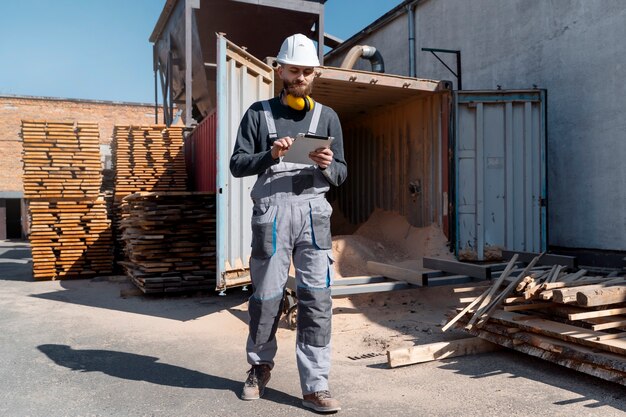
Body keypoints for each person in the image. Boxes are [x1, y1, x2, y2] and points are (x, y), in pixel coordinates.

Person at [229, 33, 347, 413]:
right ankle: (259, 367)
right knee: (266, 298)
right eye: (294, 70)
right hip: (273, 215)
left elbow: (343, 174)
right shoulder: (258, 114)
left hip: (314, 214)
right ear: (279, 69)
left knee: (317, 299)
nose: (301, 77)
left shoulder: (327, 116)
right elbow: (236, 165)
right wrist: (269, 155)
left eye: (307, 72)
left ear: (315, 73)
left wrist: (329, 166)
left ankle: (316, 385)